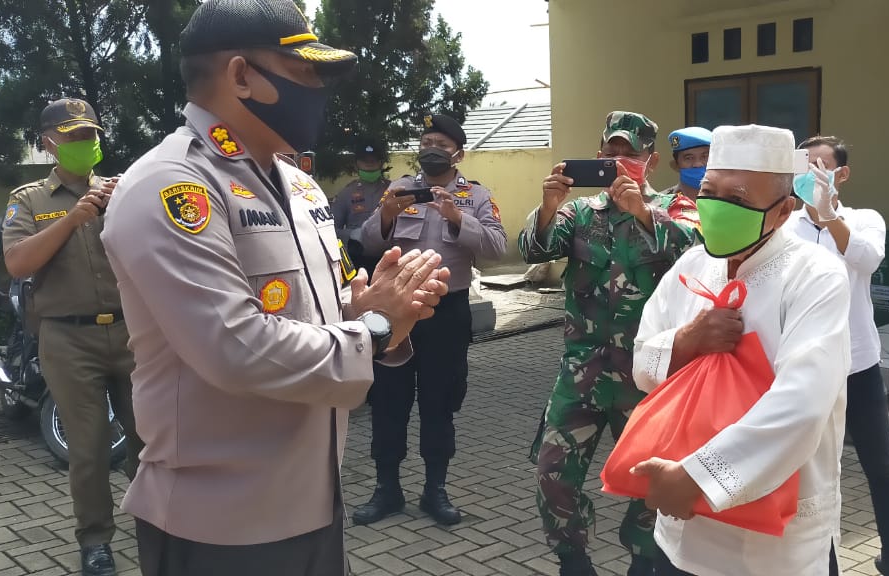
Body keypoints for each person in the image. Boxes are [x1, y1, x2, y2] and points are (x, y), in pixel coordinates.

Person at [99, 1, 450, 574]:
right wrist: (374, 331)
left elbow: (329, 313)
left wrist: (376, 309)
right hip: (221, 526)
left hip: (312, 501)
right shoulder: (172, 185)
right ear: (241, 75)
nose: (319, 90)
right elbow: (234, 347)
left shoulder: (300, 187)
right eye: (304, 72)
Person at [630, 124, 851, 576]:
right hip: (683, 529)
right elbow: (641, 362)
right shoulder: (692, 265)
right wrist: (687, 341)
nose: (716, 208)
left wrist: (697, 477)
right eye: (709, 193)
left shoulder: (815, 275)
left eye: (737, 199)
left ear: (784, 210)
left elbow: (802, 405)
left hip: (775, 548)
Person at [520, 111, 701, 576]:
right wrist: (548, 206)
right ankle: (572, 557)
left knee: (652, 477)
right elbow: (535, 249)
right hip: (582, 371)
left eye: (630, 154)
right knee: (552, 472)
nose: (619, 161)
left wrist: (643, 212)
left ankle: (645, 556)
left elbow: (698, 250)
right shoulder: (581, 212)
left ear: (651, 161)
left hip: (647, 375)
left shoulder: (675, 206)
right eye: (610, 152)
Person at [1, 97, 143, 576]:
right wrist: (73, 219)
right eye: (74, 136)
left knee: (152, 437)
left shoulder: (122, 190)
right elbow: (18, 263)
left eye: (91, 134)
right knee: (89, 447)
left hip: (130, 332)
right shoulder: (29, 200)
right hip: (68, 339)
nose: (86, 142)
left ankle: (156, 522)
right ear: (49, 144)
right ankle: (96, 541)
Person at [354, 112, 508, 526]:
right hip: (397, 313)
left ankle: (435, 490)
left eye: (441, 145)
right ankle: (387, 489)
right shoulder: (400, 188)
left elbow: (497, 248)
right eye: (426, 144)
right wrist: (387, 215)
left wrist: (457, 217)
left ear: (458, 153)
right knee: (388, 399)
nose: (432, 150)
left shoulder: (476, 195)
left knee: (439, 401)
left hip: (447, 313)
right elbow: (366, 241)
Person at [782, 136, 889, 576]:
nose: (811, 176)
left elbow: (867, 259)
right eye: (804, 167)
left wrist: (829, 216)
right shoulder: (784, 226)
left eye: (821, 167)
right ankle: (822, 559)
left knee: (881, 463)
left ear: (842, 174)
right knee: (812, 468)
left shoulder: (865, 219)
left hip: (857, 364)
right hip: (804, 366)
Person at [334, 141, 390, 274]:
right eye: (364, 160)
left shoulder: (392, 189)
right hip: (357, 257)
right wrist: (353, 235)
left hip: (388, 256)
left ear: (381, 163)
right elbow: (332, 229)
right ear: (357, 164)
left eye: (373, 160)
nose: (369, 164)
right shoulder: (346, 193)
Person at [661, 127, 711, 230]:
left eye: (704, 157)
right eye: (689, 158)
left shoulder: (728, 201)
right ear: (676, 165)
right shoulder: (661, 204)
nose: (697, 164)